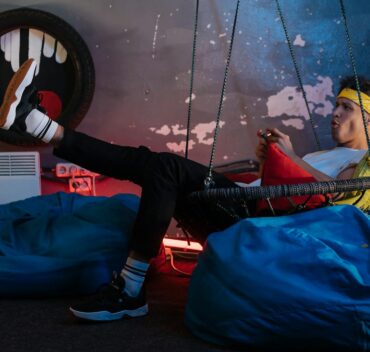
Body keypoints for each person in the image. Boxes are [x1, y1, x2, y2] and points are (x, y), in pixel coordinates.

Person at [0, 59, 369, 322]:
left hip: (258, 220)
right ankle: (38, 124)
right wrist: (267, 163)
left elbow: (337, 202)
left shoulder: (362, 161)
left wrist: (288, 157)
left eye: (347, 107)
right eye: (336, 104)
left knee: (165, 166)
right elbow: (291, 183)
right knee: (156, 165)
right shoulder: (323, 152)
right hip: (243, 204)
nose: (335, 113)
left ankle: (128, 289)